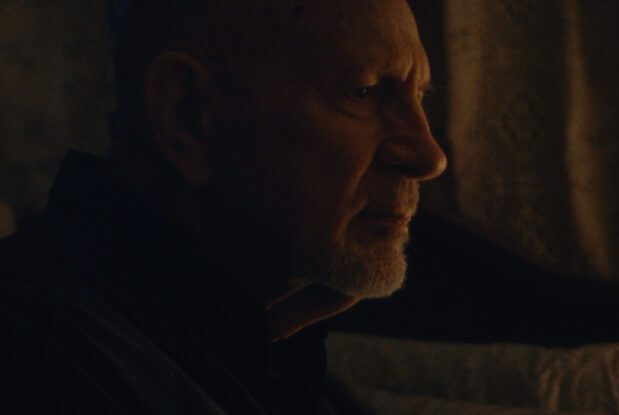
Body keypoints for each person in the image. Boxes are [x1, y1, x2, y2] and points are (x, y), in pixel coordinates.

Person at [0, 0, 446, 413]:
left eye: (420, 97)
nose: (430, 157)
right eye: (364, 91)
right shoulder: (34, 354)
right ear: (188, 114)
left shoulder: (273, 364)